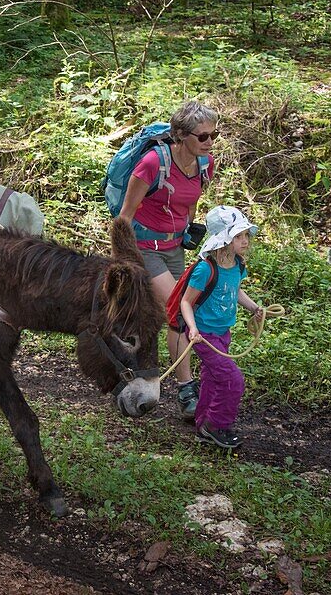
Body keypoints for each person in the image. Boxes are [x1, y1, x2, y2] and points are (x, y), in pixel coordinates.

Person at [118, 100, 217, 419]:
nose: (210, 141)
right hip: (144, 247)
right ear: (181, 135)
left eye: (214, 134)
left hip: (175, 248)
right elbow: (123, 217)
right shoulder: (151, 163)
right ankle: (187, 389)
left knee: (174, 314)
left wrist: (189, 229)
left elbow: (189, 202)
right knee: (177, 311)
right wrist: (123, 261)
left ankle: (137, 368)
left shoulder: (205, 164)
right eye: (203, 136)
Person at [179, 205, 264, 450]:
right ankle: (217, 425)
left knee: (213, 378)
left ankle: (203, 424)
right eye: (238, 236)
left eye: (246, 235)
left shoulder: (237, 265)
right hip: (204, 336)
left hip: (222, 333)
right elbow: (186, 301)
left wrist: (254, 308)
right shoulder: (206, 268)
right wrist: (193, 329)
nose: (245, 240)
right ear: (224, 239)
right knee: (232, 380)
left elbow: (235, 290)